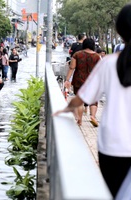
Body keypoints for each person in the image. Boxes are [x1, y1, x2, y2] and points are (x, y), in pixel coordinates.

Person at [54, 4, 131, 197]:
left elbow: (82, 99)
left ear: (119, 31)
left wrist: (64, 110)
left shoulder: (109, 63)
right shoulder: (102, 59)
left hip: (112, 145)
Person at [64, 38, 101, 126]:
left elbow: (72, 67)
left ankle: (79, 120)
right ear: (93, 45)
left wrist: (67, 79)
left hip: (78, 80)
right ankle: (93, 116)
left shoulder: (77, 54)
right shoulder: (96, 56)